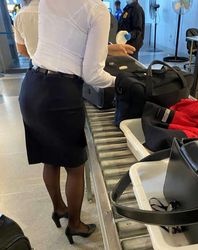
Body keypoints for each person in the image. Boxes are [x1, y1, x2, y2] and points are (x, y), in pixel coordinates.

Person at [18, 0, 134, 245]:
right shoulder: (97, 9)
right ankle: (75, 224)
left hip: (32, 86)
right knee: (75, 167)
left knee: (49, 158)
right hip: (60, 93)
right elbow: (92, 74)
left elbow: (69, 40)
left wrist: (110, 49)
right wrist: (121, 81)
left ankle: (59, 208)